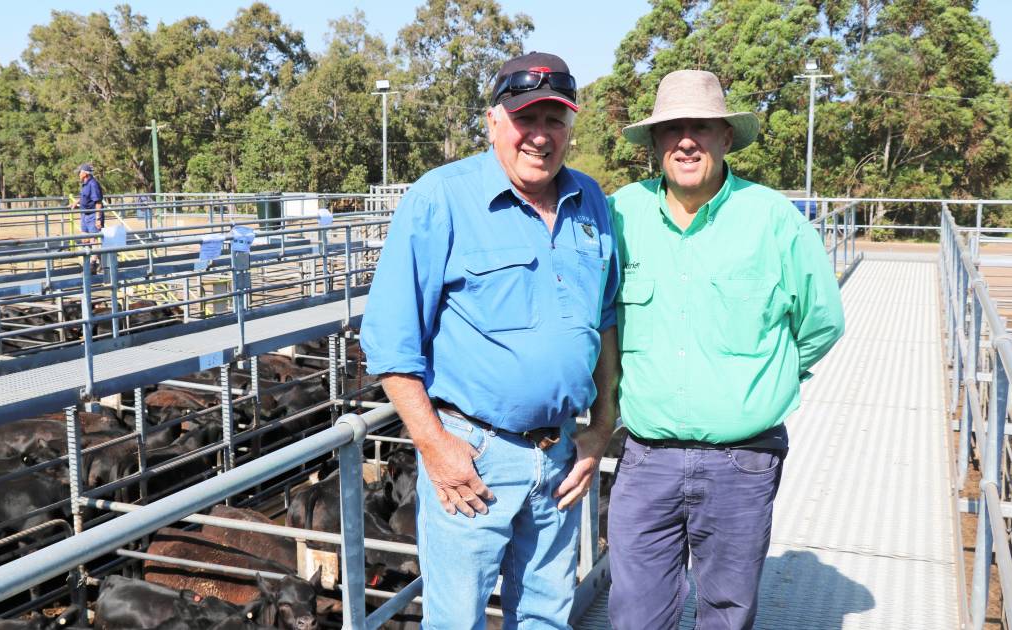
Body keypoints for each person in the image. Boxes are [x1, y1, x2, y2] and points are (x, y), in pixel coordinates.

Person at [361, 51, 620, 629]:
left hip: (559, 456)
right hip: (472, 458)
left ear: (570, 129)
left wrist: (600, 429)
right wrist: (434, 446)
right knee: (458, 622)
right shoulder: (441, 198)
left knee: (547, 618)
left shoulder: (592, 203)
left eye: (556, 121)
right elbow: (389, 340)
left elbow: (605, 322)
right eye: (527, 119)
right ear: (494, 121)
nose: (541, 137)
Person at [606, 69, 846, 629]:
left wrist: (772, 376)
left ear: (726, 137)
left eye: (701, 127)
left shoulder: (773, 220)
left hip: (743, 461)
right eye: (673, 129)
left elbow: (822, 323)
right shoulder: (621, 214)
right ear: (656, 143)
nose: (686, 140)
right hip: (645, 459)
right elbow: (597, 319)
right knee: (634, 615)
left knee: (726, 613)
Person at [71, 163, 104, 273]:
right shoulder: (84, 184)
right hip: (84, 214)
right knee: (85, 240)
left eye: (80, 172)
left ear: (85, 173)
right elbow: (84, 196)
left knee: (93, 240)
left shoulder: (93, 184)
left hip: (93, 215)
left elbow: (98, 202)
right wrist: (76, 202)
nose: (78, 174)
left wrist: (98, 218)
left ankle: (92, 265)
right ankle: (102, 263)